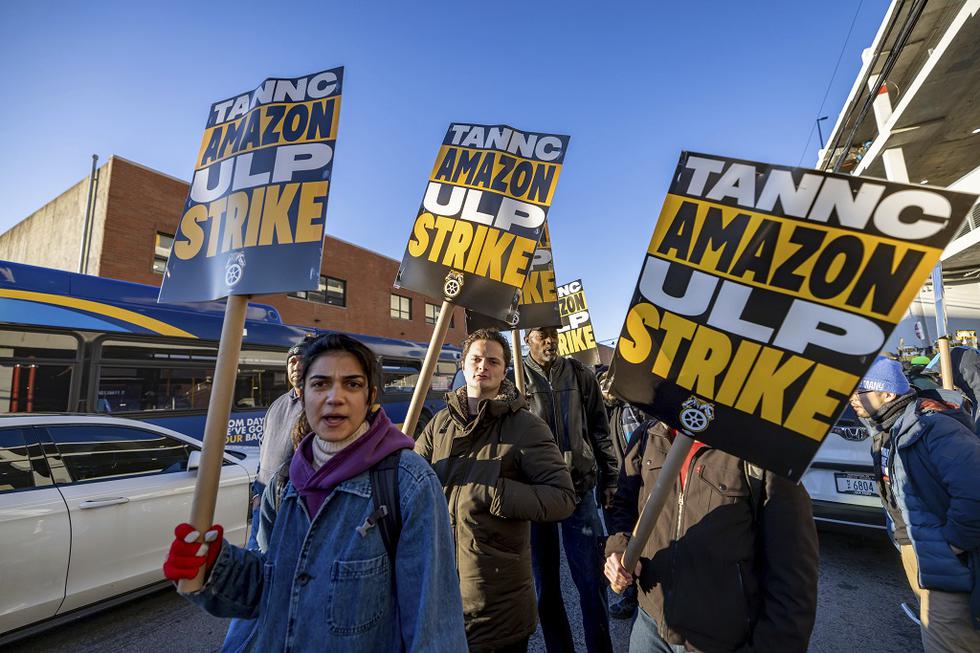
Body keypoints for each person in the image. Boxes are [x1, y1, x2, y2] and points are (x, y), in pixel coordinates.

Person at [163, 333, 468, 652]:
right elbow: (271, 592)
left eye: (352, 384)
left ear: (371, 397)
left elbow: (433, 624)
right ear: (302, 394)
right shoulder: (285, 483)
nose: (335, 397)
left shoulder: (408, 482)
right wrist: (214, 567)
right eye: (320, 384)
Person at [415, 328, 576, 653]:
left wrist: (494, 493)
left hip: (497, 608)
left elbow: (562, 498)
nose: (482, 366)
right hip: (439, 602)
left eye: (493, 360)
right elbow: (410, 483)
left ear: (504, 370)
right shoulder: (440, 424)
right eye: (475, 358)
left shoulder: (526, 426)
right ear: (463, 365)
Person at [604, 420, 819, 653]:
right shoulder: (650, 434)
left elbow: (794, 578)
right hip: (649, 625)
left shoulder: (764, 449)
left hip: (719, 640)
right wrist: (620, 551)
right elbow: (625, 507)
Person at [851, 355, 980, 652]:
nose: (852, 399)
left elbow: (975, 490)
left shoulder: (932, 428)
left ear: (887, 393)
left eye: (861, 391)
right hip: (918, 552)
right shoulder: (887, 429)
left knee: (944, 641)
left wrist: (952, 544)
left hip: (951, 571)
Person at [522, 326, 617, 653]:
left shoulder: (579, 373)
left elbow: (599, 429)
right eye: (540, 334)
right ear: (526, 339)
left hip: (580, 489)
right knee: (545, 588)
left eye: (553, 333)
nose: (549, 339)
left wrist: (610, 477)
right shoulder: (514, 379)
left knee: (591, 581)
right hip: (537, 496)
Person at [220, 337, 312, 651]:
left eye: (303, 360)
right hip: (265, 501)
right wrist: (258, 492)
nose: (296, 366)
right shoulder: (279, 405)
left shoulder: (317, 404)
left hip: (291, 504)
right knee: (261, 575)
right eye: (292, 361)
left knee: (270, 578)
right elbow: (267, 453)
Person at [596, 368, 646, 620]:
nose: (607, 388)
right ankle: (630, 596)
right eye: (602, 385)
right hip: (617, 485)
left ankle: (644, 597)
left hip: (646, 482)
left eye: (610, 383)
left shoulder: (639, 407)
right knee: (621, 540)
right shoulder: (605, 412)